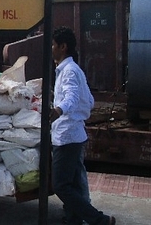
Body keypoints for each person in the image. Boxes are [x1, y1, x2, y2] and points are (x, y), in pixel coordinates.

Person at [50, 26, 115, 225]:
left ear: (63, 47)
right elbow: (89, 100)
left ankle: (99, 220)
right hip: (74, 134)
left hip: (67, 136)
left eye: (53, 45)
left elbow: (72, 96)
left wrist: (59, 110)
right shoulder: (72, 69)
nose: (51, 48)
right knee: (74, 183)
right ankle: (73, 218)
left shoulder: (69, 72)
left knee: (60, 185)